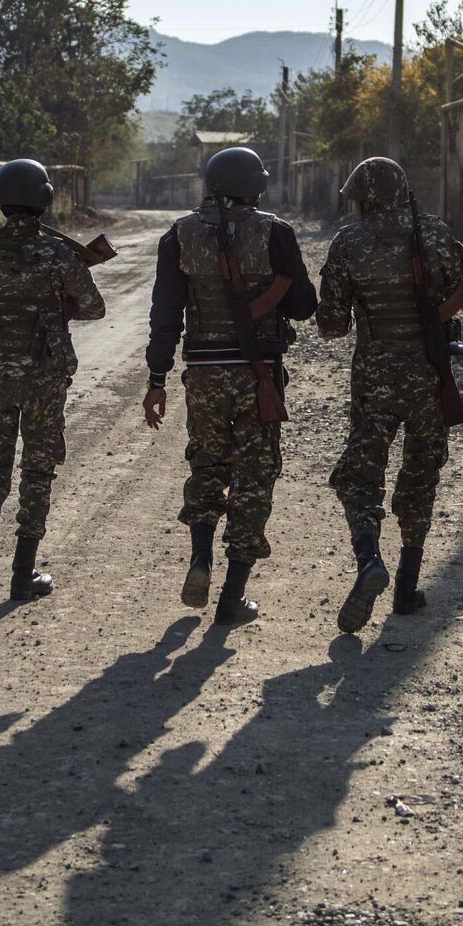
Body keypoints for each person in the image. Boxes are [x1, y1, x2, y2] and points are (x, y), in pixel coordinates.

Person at [143, 147, 317, 626]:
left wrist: (156, 379)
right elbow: (304, 306)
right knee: (254, 479)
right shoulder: (276, 232)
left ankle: (200, 558)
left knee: (206, 465)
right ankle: (232, 596)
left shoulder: (178, 235)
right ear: (254, 187)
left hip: (202, 373)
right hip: (258, 371)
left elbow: (164, 316)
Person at [0, 158, 106, 608]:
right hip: (45, 379)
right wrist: (57, 304)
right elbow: (94, 308)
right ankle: (22, 570)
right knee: (38, 468)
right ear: (44, 200)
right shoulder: (59, 254)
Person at [316, 157, 463, 634]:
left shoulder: (348, 242)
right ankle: (406, 585)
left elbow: (331, 325)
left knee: (359, 477)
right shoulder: (435, 232)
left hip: (374, 379)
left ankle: (369, 563)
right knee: (421, 474)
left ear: (364, 197)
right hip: (429, 373)